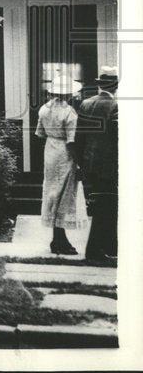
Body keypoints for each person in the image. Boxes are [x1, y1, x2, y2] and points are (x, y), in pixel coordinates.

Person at [35, 73, 88, 255]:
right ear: (68, 94)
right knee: (64, 193)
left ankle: (58, 237)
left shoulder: (44, 108)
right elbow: (72, 141)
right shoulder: (69, 112)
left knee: (52, 192)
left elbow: (40, 134)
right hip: (65, 152)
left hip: (50, 150)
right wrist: (79, 163)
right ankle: (59, 239)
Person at [76, 66, 118, 263]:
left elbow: (79, 137)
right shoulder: (116, 105)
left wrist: (80, 162)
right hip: (109, 166)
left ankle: (109, 247)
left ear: (101, 84)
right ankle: (95, 251)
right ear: (116, 85)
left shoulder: (86, 104)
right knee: (106, 208)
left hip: (90, 164)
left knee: (103, 205)